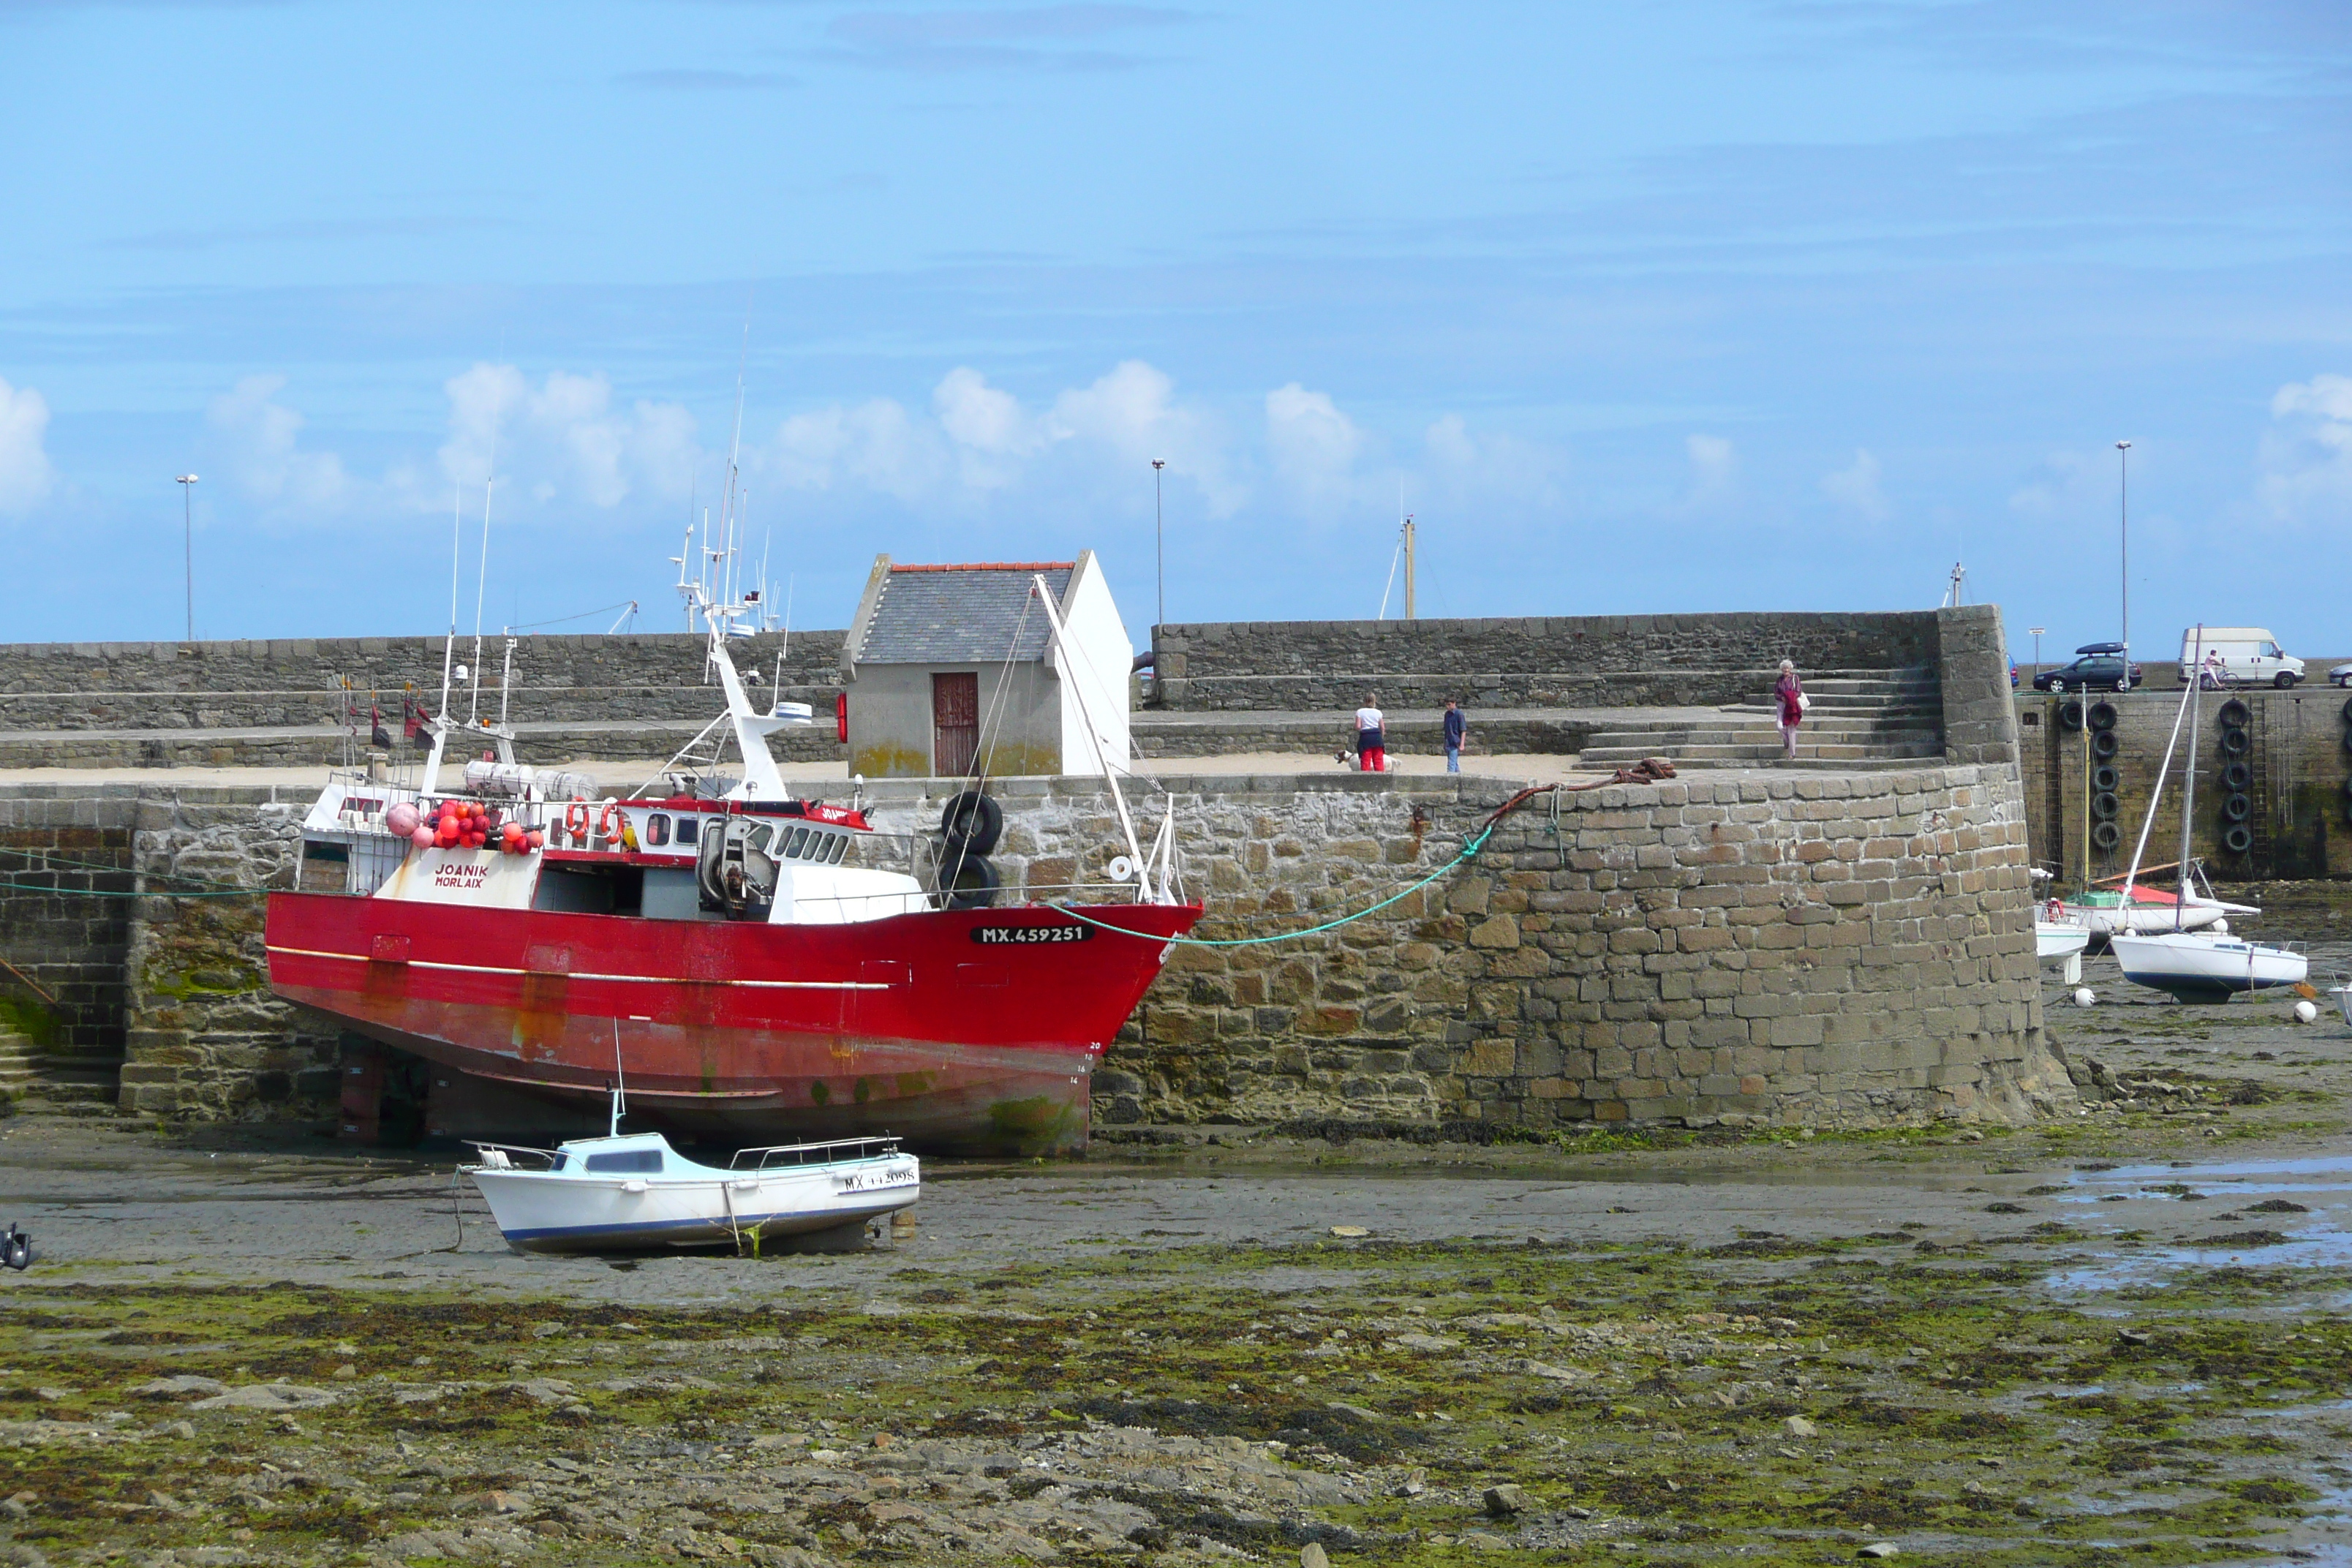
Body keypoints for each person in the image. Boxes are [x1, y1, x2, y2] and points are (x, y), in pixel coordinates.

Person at [1774, 659, 1804, 760]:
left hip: (1791, 706)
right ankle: (1786, 741)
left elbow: (1798, 691)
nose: (1785, 670)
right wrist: (1782, 698)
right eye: (1784, 668)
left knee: (1791, 729)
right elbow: (1776, 693)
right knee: (1779, 726)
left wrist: (1790, 698)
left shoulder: (1795, 678)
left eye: (1787, 668)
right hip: (1781, 705)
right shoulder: (1779, 680)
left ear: (1790, 669)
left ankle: (1792, 753)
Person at [1354, 693, 1386, 773]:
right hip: (1377, 736)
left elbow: (1358, 726)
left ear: (1364, 701)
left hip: (1365, 737)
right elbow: (1382, 727)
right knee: (1378, 760)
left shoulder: (1360, 712)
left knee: (1366, 760)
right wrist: (1381, 737)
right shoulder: (1378, 712)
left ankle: (1366, 781)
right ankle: (1381, 779)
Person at [1443, 698, 1466, 773]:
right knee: (1454, 764)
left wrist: (1462, 744)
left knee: (1451, 765)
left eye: (1449, 704)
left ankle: (1450, 782)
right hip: (1448, 742)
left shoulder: (1459, 715)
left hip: (1455, 743)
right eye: (1446, 705)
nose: (1447, 707)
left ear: (1454, 703)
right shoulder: (1447, 715)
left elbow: (1463, 730)